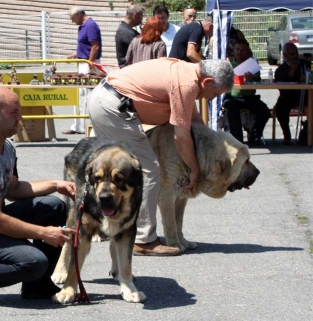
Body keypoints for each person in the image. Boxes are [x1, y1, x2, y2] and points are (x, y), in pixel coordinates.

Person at [87, 58, 234, 256]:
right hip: (113, 108)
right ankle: (143, 240)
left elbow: (195, 122)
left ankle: (96, 222)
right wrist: (195, 169)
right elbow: (181, 136)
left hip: (107, 101)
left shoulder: (187, 72)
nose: (212, 98)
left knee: (110, 171)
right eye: (215, 93)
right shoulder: (187, 84)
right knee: (148, 170)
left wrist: (211, 145)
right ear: (206, 82)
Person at [0, 87, 76, 306]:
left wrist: (56, 185)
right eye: (14, 113)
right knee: (33, 261)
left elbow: (13, 190)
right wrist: (43, 233)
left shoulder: (6, 146)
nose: (20, 118)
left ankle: (37, 285)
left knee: (54, 206)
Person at [63, 5, 102, 136]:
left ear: (79, 14)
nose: (72, 21)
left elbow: (95, 46)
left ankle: (92, 125)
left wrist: (90, 63)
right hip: (84, 62)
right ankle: (78, 126)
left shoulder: (90, 25)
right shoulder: (84, 26)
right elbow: (87, 46)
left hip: (88, 64)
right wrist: (75, 54)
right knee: (80, 94)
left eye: (72, 18)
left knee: (88, 95)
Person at [223, 39, 270, 144]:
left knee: (265, 111)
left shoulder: (252, 64)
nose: (240, 52)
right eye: (237, 49)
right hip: (233, 97)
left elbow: (258, 81)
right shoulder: (228, 64)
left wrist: (252, 78)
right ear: (234, 50)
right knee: (232, 108)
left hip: (249, 97)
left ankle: (255, 135)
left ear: (248, 51)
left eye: (243, 50)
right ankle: (237, 140)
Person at [274, 42, 309, 145]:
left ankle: (307, 131)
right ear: (285, 55)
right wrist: (292, 72)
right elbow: (283, 89)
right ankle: (286, 134)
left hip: (305, 94)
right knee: (280, 106)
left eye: (295, 53)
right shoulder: (280, 70)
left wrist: (307, 78)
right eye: (291, 54)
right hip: (288, 96)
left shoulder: (305, 64)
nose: (294, 56)